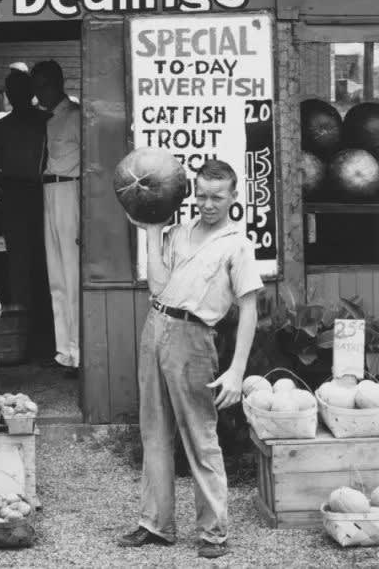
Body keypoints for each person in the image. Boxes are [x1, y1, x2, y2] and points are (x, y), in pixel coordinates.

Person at [119, 159, 261, 560]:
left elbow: (248, 309)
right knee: (154, 431)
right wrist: (150, 232)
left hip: (195, 338)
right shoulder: (178, 233)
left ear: (234, 197)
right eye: (201, 195)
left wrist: (236, 371)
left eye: (217, 196)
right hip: (156, 326)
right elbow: (158, 286)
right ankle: (156, 524)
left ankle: (213, 532)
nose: (208, 204)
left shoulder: (237, 244)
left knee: (200, 437)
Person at [0, 67, 53, 363]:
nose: (17, 97)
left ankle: (45, 332)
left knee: (45, 261)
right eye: (14, 92)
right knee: (21, 263)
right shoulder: (2, 128)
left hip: (44, 193)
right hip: (15, 195)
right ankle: (24, 333)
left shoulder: (47, 122)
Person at [31, 60, 81, 375]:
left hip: (70, 192)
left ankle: (79, 351)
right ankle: (64, 351)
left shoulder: (76, 117)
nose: (38, 94)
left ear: (56, 83)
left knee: (72, 273)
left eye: (42, 86)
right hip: (49, 192)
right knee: (56, 276)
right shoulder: (47, 120)